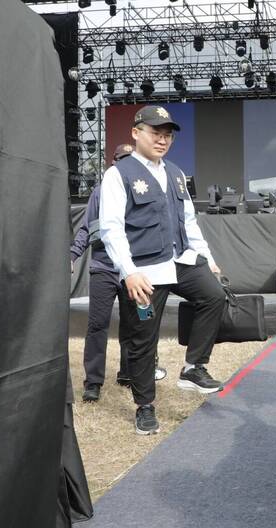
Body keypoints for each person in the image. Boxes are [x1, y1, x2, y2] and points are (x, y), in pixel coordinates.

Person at [99, 106, 227, 435]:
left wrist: (206, 257)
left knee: (214, 295)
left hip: (179, 260)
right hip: (144, 270)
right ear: (135, 132)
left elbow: (189, 221)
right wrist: (128, 272)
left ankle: (193, 367)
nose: (162, 139)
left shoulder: (175, 173)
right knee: (143, 341)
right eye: (155, 132)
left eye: (167, 134)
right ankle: (145, 406)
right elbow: (111, 229)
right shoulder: (119, 174)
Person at [70, 143, 165, 402]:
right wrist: (72, 255)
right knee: (97, 325)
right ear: (114, 163)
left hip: (135, 270)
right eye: (120, 159)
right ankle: (93, 382)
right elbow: (86, 229)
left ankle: (129, 372)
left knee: (137, 324)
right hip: (103, 268)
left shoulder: (145, 189)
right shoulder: (101, 192)